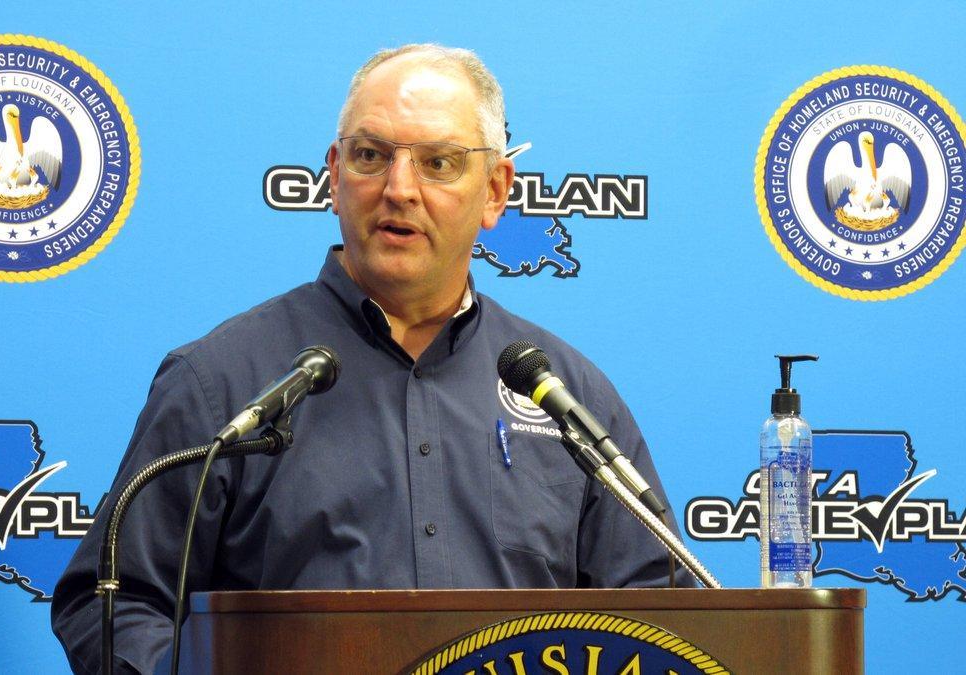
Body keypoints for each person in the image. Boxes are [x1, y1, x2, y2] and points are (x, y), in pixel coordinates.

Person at [51, 43, 690, 674]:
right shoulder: (222, 381)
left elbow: (660, 620)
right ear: (333, 174)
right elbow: (116, 602)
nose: (399, 188)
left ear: (495, 191)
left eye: (438, 162)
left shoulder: (564, 393)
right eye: (370, 156)